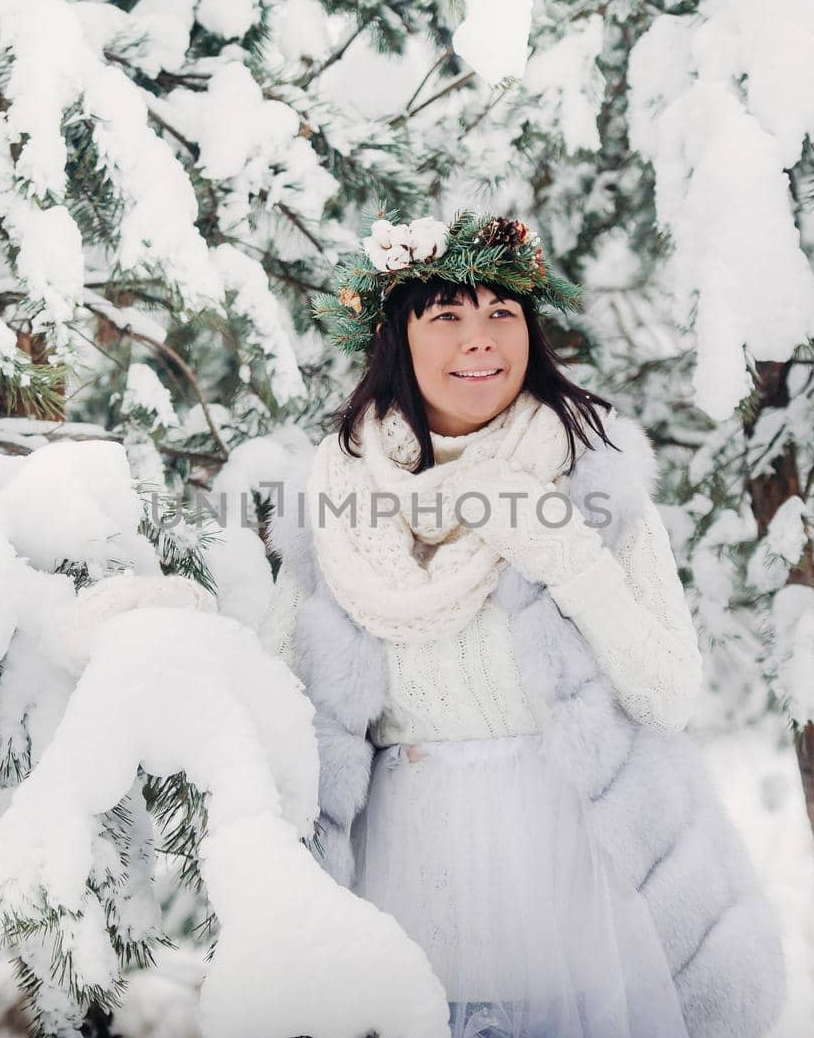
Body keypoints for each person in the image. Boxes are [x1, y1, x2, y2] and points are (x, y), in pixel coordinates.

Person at [259, 211, 786, 1038]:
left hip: (570, 877)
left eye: (502, 313)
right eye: (448, 317)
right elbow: (276, 705)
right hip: (402, 875)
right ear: (398, 336)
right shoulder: (331, 500)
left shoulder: (591, 476)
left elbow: (671, 694)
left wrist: (563, 550)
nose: (481, 340)